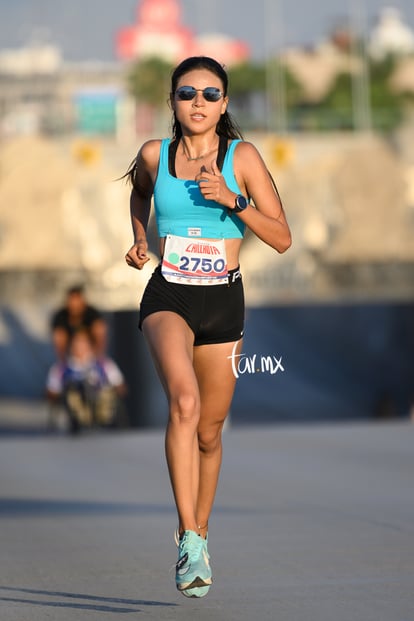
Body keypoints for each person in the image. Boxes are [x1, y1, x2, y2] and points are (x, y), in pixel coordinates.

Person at [124, 56, 291, 598]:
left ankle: (200, 531)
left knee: (210, 432)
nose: (198, 103)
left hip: (224, 301)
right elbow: (140, 190)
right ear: (172, 101)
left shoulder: (243, 158)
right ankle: (188, 536)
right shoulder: (156, 154)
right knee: (184, 404)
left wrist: (233, 201)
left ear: (225, 103)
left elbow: (282, 237)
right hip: (168, 294)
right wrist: (141, 237)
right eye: (187, 93)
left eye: (210, 94)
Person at [46, 328, 127, 433]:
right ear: (70, 345)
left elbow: (121, 388)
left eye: (83, 342)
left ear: (90, 344)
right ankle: (81, 418)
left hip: (102, 410)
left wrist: (106, 388)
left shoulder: (104, 364)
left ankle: (103, 417)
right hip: (75, 416)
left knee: (106, 393)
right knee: (72, 392)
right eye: (77, 342)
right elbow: (52, 393)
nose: (80, 346)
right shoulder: (61, 369)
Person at [50, 284, 107, 361]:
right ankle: (63, 361)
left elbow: (99, 330)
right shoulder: (60, 316)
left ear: (83, 301)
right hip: (70, 349)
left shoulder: (92, 313)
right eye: (72, 300)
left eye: (77, 299)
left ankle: (99, 359)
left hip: (89, 347)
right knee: (59, 335)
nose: (75, 304)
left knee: (99, 329)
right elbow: (58, 336)